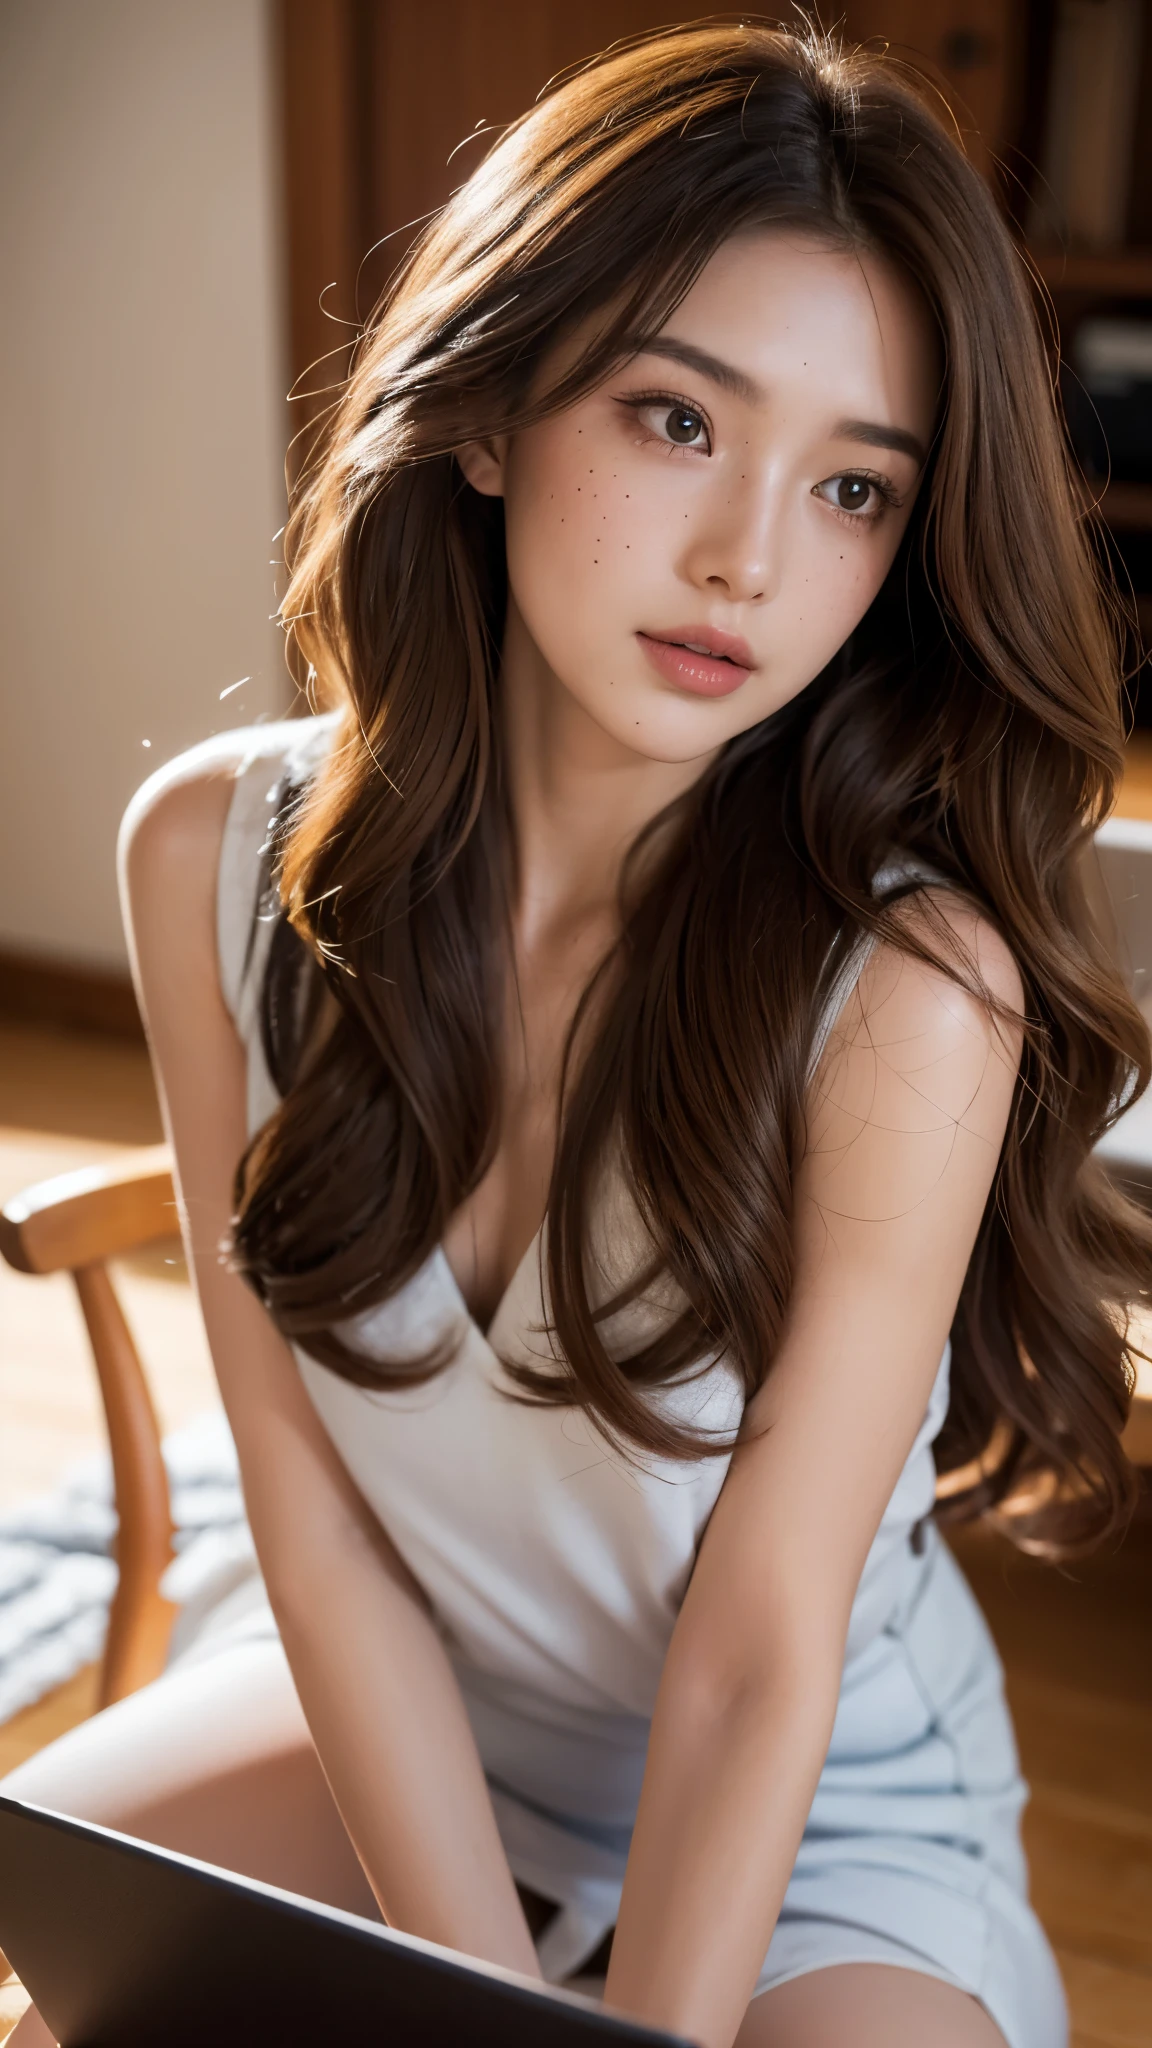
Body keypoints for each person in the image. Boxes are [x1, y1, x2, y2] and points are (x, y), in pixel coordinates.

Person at [5, 22, 1147, 2048]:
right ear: (489, 410)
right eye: (677, 421)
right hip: (418, 1717)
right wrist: (482, 1989)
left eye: (857, 485)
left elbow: (760, 1641)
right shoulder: (203, 857)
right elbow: (315, 1513)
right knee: (66, 1938)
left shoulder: (909, 989)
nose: (751, 562)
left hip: (815, 1801)